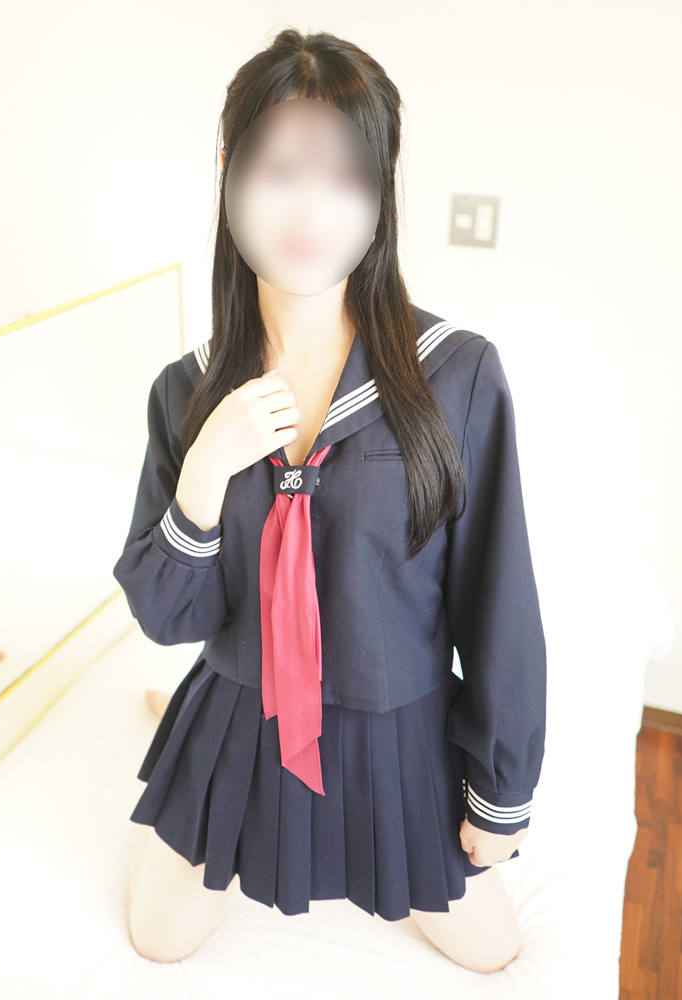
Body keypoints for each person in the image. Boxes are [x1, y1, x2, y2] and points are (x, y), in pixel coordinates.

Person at [114, 28, 546, 974]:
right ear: (228, 171)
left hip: (400, 728)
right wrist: (206, 468)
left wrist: (500, 790)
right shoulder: (187, 391)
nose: (311, 209)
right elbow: (169, 615)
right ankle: (175, 718)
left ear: (381, 193)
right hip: (241, 713)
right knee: (158, 939)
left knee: (492, 952)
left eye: (346, 177)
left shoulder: (455, 376)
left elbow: (500, 599)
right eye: (280, 170)